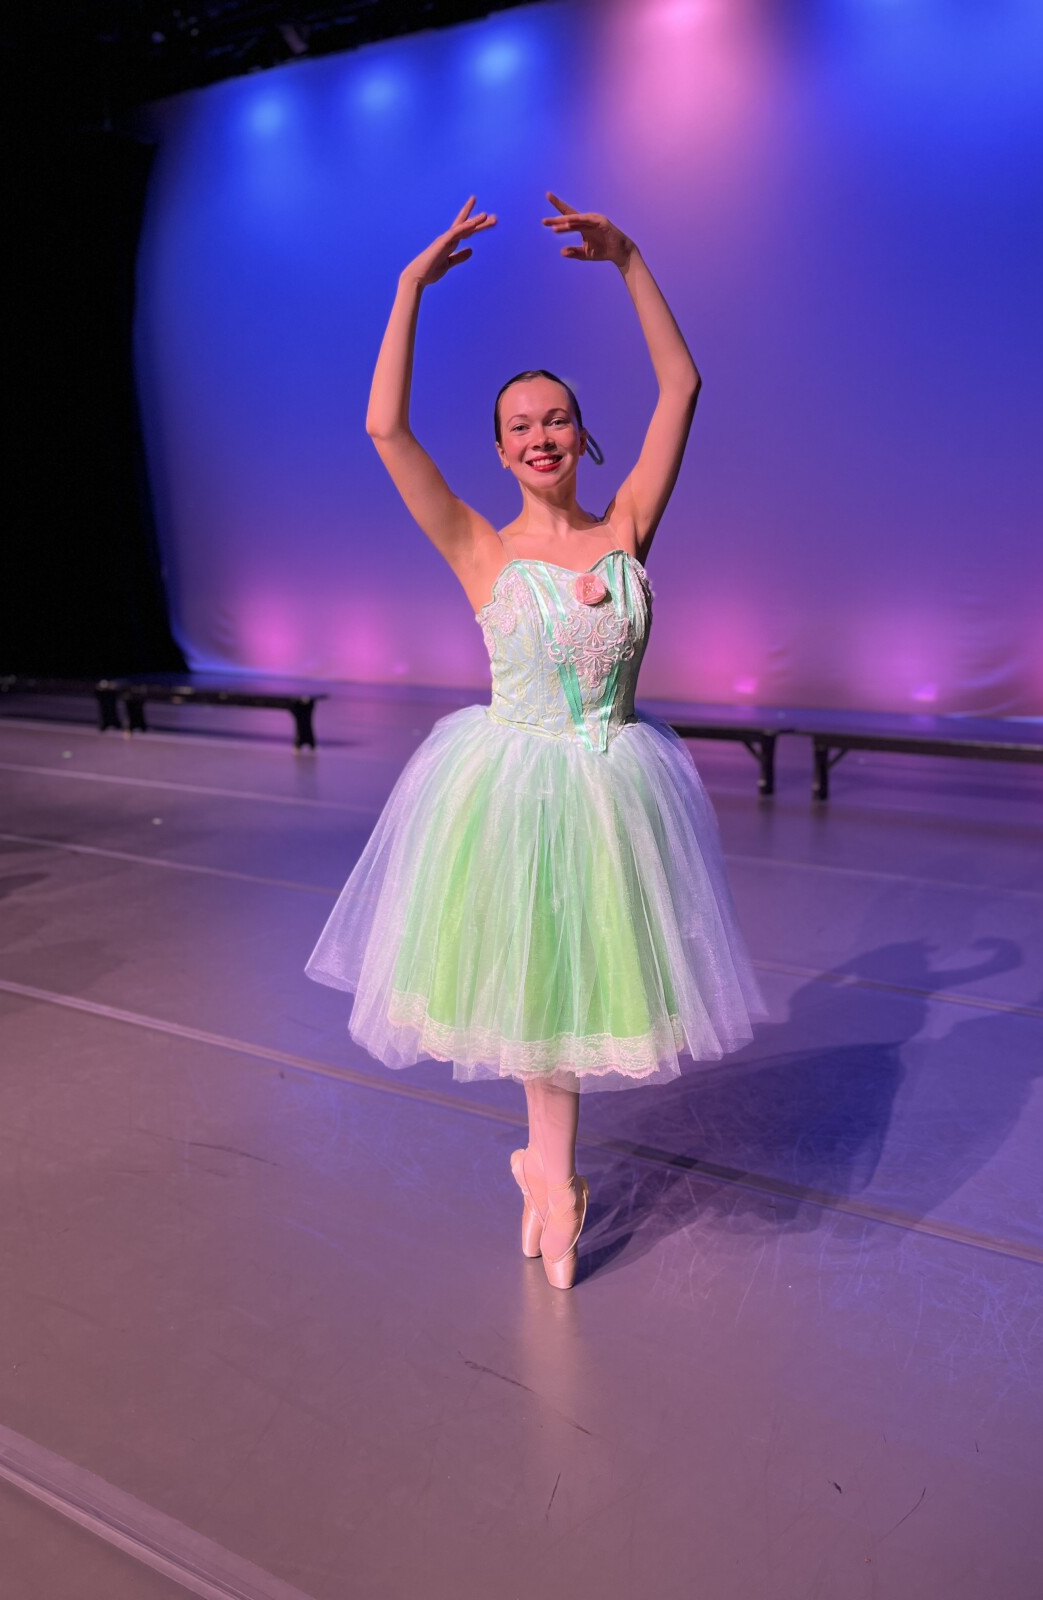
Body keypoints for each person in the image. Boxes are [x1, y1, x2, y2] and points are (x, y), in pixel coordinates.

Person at [306, 194, 765, 1288]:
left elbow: (682, 387)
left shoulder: (626, 526)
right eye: (520, 426)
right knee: (537, 991)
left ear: (580, 433)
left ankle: (545, 1176)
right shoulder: (481, 547)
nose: (541, 436)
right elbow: (384, 431)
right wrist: (410, 288)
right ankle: (553, 1184)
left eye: (557, 419)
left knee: (572, 995)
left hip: (615, 785)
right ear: (501, 449)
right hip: (513, 788)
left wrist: (631, 259)